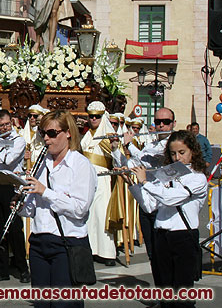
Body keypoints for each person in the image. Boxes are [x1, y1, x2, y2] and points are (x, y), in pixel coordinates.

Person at [19, 110, 97, 308]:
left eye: (52, 133)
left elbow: (80, 209)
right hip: (38, 242)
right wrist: (20, 205)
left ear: (68, 132)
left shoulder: (81, 165)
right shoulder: (41, 164)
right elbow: (32, 209)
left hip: (67, 243)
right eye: (43, 133)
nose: (46, 138)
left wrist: (45, 192)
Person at [127, 130, 208, 305]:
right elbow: (150, 206)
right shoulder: (167, 174)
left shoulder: (197, 178)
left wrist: (146, 182)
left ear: (192, 151)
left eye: (182, 152)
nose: (177, 158)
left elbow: (170, 198)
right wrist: (134, 186)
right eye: (172, 154)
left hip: (184, 237)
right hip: (162, 235)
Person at [119, 107, 176, 263]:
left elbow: (152, 156)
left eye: (166, 122)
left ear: (173, 124)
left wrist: (130, 145)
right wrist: (117, 150)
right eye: (158, 122)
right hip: (146, 200)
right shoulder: (151, 143)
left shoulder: (173, 144)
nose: (161, 126)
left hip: (163, 204)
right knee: (152, 254)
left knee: (163, 255)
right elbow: (135, 163)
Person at [0, 109, 30, 283]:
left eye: (7, 124)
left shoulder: (18, 140)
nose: (5, 128)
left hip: (11, 186)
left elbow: (9, 159)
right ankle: (1, 268)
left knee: (14, 229)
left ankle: (22, 268)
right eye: (1, 125)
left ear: (11, 122)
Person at [80, 101, 117, 266]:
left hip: (102, 178)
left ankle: (107, 253)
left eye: (97, 116)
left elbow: (117, 154)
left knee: (102, 215)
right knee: (89, 215)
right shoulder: (87, 134)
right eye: (91, 116)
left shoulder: (108, 133)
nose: (93, 119)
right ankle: (91, 249)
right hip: (87, 179)